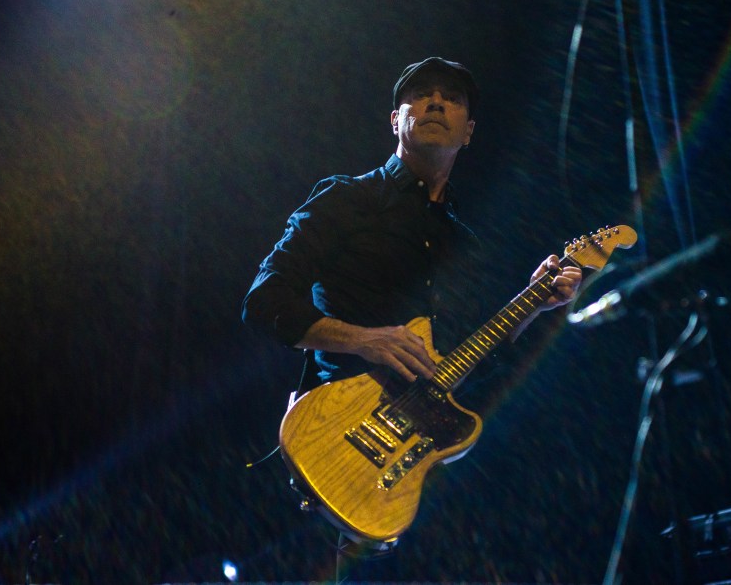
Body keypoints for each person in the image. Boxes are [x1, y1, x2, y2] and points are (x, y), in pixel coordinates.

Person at [242, 56, 582, 580]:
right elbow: (264, 301)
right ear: (395, 120)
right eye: (421, 94)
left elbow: (478, 362)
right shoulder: (346, 199)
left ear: (469, 133)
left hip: (421, 469)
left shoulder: (466, 243)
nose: (436, 102)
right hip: (334, 446)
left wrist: (535, 304)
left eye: (452, 98)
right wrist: (364, 341)